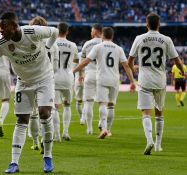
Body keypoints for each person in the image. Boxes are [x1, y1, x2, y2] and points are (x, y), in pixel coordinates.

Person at [0, 12, 58, 173]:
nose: (1, 31)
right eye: (0, 28)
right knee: (22, 119)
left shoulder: (32, 32)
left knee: (44, 113)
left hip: (44, 78)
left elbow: (54, 32)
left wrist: (47, 47)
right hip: (23, 82)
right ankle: (14, 162)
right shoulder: (1, 43)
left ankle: (48, 156)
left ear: (14, 26)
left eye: (4, 27)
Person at [128, 13, 185, 155]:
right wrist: (182, 71)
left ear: (146, 24)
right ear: (159, 24)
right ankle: (159, 145)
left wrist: (135, 69)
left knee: (146, 112)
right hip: (160, 80)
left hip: (144, 80)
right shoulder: (166, 40)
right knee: (159, 113)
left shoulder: (139, 38)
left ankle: (149, 140)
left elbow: (130, 60)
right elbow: (177, 61)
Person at [74, 27, 136, 139]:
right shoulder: (119, 48)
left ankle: (103, 129)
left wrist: (74, 71)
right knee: (111, 106)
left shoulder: (98, 47)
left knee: (102, 104)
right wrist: (132, 81)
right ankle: (108, 129)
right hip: (114, 79)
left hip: (102, 78)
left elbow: (86, 61)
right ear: (112, 36)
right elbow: (126, 65)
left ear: (102, 35)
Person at [27, 16, 59, 151]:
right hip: (47, 79)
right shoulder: (54, 44)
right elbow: (56, 66)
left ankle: (35, 142)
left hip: (31, 78)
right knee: (47, 111)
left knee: (33, 112)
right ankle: (44, 139)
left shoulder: (29, 41)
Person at [53, 22, 78, 141]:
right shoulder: (73, 45)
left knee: (55, 108)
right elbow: (76, 61)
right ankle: (66, 132)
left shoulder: (52, 43)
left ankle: (57, 135)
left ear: (57, 31)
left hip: (54, 78)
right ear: (67, 32)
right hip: (68, 78)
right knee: (67, 106)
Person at [80, 24, 103, 134]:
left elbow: (82, 61)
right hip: (102, 75)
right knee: (103, 103)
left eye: (91, 31)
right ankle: (101, 124)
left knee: (88, 102)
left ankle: (89, 129)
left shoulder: (87, 44)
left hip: (89, 74)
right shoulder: (106, 44)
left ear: (94, 32)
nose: (90, 33)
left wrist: (80, 74)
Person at [74, 52, 85, 125]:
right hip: (87, 78)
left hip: (79, 79)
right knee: (88, 101)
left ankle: (82, 117)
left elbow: (74, 67)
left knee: (79, 100)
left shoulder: (77, 55)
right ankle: (83, 117)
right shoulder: (92, 53)